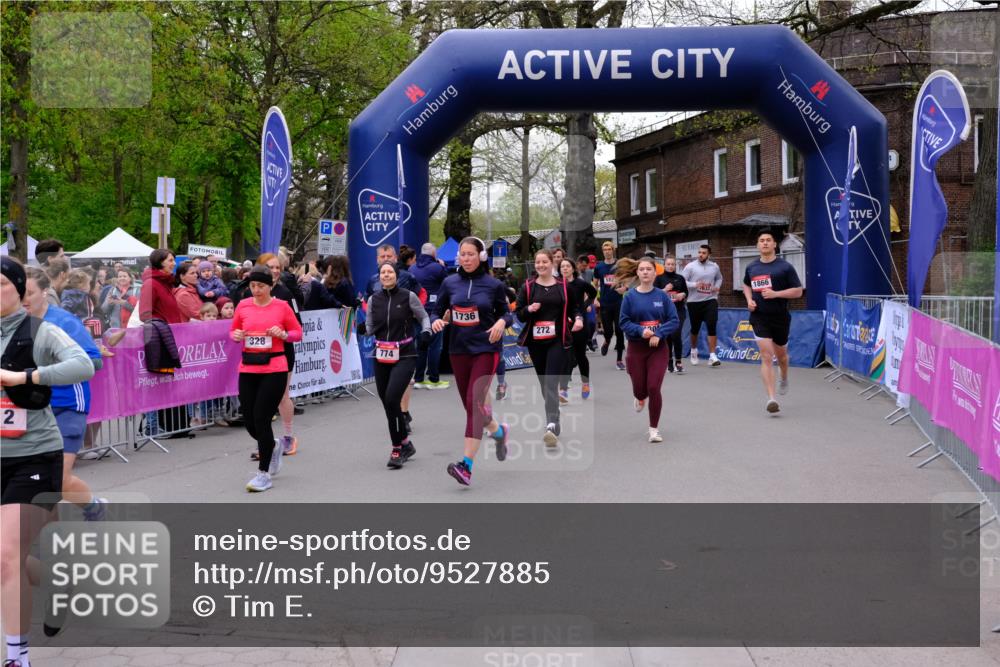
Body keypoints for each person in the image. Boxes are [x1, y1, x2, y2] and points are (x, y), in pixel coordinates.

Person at [1, 257, 94, 667]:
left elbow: (84, 364)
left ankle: (17, 657)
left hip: (34, 457)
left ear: (18, 289)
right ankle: (61, 583)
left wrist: (26, 378)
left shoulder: (41, 331)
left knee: (6, 554)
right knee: (7, 558)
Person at [22, 268, 107, 525]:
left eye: (29, 293)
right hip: (28, 409)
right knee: (32, 479)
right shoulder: (11, 322)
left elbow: (94, 361)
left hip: (67, 403)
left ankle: (93, 507)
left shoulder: (63, 321)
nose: (22, 299)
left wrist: (43, 370)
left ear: (45, 292)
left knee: (57, 478)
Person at [430, 237, 511, 486]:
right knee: (472, 409)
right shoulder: (449, 282)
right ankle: (499, 432)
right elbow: (436, 308)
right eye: (462, 255)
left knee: (473, 402)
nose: (465, 259)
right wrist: (436, 319)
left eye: (470, 254)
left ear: (481, 256)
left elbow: (507, 313)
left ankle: (466, 466)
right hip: (459, 350)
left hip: (486, 348)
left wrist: (501, 322)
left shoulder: (494, 285)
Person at [230, 265, 302, 492]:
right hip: (249, 366)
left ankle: (263, 474)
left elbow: (297, 333)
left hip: (275, 367)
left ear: (270, 286)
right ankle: (273, 445)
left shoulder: (281, 307)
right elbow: (233, 331)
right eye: (252, 286)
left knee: (262, 418)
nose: (256, 290)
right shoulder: (243, 305)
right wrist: (236, 335)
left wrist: (283, 334)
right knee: (250, 421)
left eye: (260, 286)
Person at [362, 262, 431, 468]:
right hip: (381, 354)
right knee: (387, 402)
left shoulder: (408, 296)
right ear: (379, 277)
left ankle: (397, 448)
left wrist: (426, 331)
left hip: (405, 354)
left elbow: (424, 316)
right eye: (383, 272)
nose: (386, 275)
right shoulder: (374, 299)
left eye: (389, 272)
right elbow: (370, 326)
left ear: (396, 275)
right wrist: (363, 329)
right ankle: (406, 443)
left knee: (393, 398)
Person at [515, 249, 583, 447]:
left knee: (551, 381)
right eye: (538, 262)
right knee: (545, 384)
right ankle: (555, 415)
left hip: (558, 340)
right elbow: (519, 313)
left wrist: (578, 318)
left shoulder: (563, 287)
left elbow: (574, 308)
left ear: (552, 263)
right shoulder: (528, 287)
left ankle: (551, 425)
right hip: (536, 342)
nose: (541, 265)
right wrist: (529, 309)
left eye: (545, 262)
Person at [742, 229, 803, 414]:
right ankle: (771, 398)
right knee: (766, 356)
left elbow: (798, 291)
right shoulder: (752, 267)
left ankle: (784, 376)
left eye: (769, 240)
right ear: (757, 245)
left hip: (780, 317)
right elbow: (746, 284)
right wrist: (749, 300)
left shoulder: (784, 267)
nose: (765, 243)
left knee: (782, 357)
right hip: (759, 317)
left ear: (774, 244)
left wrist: (776, 294)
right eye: (762, 240)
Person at [619, 256, 680, 443]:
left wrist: (658, 333)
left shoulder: (662, 296)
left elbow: (674, 320)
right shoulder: (629, 296)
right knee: (640, 390)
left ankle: (654, 429)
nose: (645, 272)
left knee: (653, 387)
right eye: (642, 269)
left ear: (655, 273)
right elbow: (623, 322)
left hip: (658, 349)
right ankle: (639, 397)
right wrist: (640, 330)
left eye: (649, 269)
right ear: (637, 273)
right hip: (636, 348)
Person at [410, 243, 449, 389]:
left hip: (416, 312)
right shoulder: (438, 268)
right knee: (434, 346)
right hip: (433, 312)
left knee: (421, 346)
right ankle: (433, 379)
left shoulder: (412, 268)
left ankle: (419, 379)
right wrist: (443, 266)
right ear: (434, 254)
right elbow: (447, 285)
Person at [558, 258, 596, 401]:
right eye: (562, 267)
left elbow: (592, 293)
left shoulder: (580, 283)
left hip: (579, 322)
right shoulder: (558, 284)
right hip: (563, 324)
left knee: (580, 356)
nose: (565, 269)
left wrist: (585, 305)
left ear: (573, 269)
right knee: (566, 357)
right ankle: (563, 389)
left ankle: (585, 383)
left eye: (568, 266)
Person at [682, 244, 724, 367]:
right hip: (694, 302)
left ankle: (712, 356)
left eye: (703, 253)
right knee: (695, 329)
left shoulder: (714, 266)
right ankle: (694, 350)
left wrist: (717, 287)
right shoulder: (690, 266)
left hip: (710, 300)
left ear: (709, 254)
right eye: (699, 252)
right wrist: (695, 285)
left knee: (711, 325)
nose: (700, 254)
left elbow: (719, 278)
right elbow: (682, 281)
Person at [593, 240, 625, 370]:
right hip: (605, 302)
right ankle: (606, 341)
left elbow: (628, 278)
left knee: (619, 330)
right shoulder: (599, 267)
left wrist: (625, 288)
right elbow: (594, 284)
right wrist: (594, 298)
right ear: (603, 252)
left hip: (618, 301)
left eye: (609, 249)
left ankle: (619, 360)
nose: (607, 252)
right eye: (605, 250)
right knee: (608, 331)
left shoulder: (619, 265)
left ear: (613, 250)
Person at [655, 256, 689, 374]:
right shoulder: (659, 279)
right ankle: (669, 362)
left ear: (675, 266)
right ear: (664, 265)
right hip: (664, 312)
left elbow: (686, 292)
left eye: (673, 264)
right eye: (668, 264)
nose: (670, 266)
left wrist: (682, 295)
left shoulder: (680, 278)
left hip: (678, 310)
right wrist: (664, 289)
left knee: (676, 334)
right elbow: (654, 294)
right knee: (668, 336)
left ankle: (678, 362)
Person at [139, 249, 185, 325]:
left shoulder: (166, 282)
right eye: (170, 261)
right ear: (160, 262)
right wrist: (163, 326)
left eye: (174, 260)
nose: (174, 264)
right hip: (163, 333)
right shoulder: (150, 284)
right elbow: (144, 314)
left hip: (173, 331)